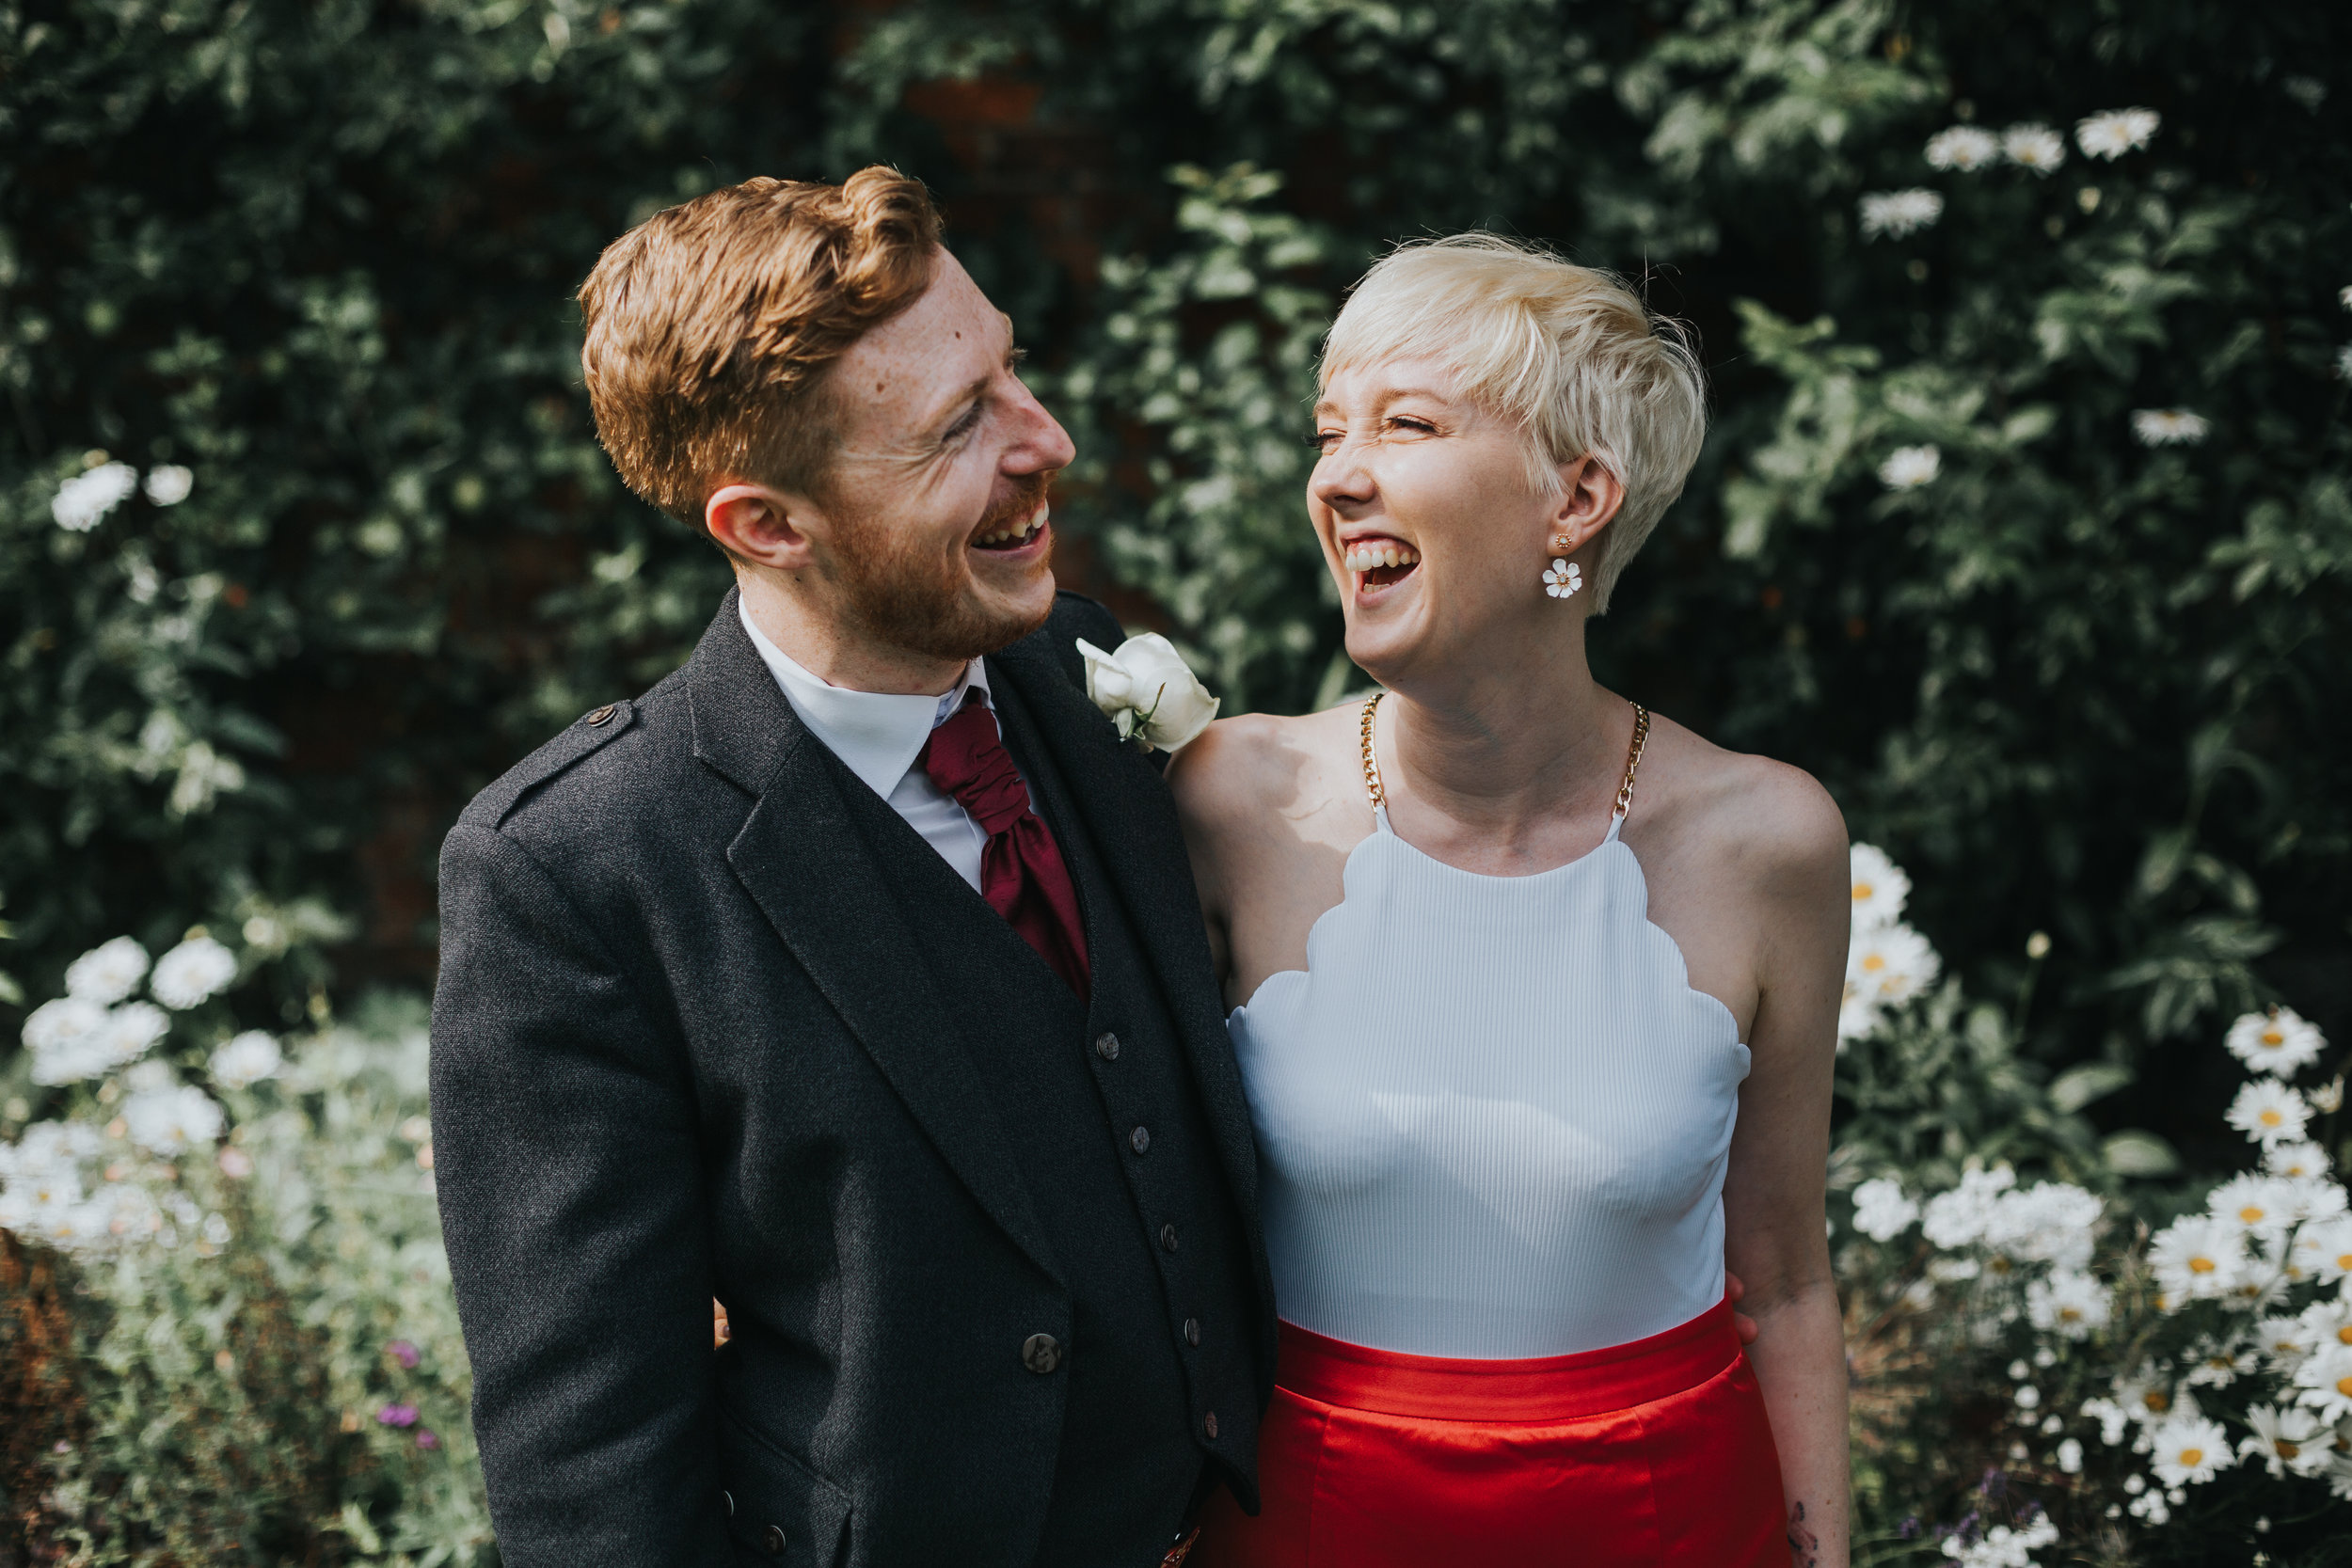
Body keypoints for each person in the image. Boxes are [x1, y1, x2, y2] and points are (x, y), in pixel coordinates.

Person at [429, 168, 1274, 1568]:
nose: (1045, 440)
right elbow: (591, 1475)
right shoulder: (576, 875)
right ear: (768, 525)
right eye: (959, 430)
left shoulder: (1081, 672)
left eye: (1011, 372)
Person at [1174, 235, 1851, 1567]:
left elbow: (1782, 1283)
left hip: (1665, 1524)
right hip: (1314, 1527)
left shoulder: (1768, 839)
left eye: (1406, 424)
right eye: (1330, 431)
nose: (1339, 474)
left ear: (1576, 498)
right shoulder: (1225, 804)